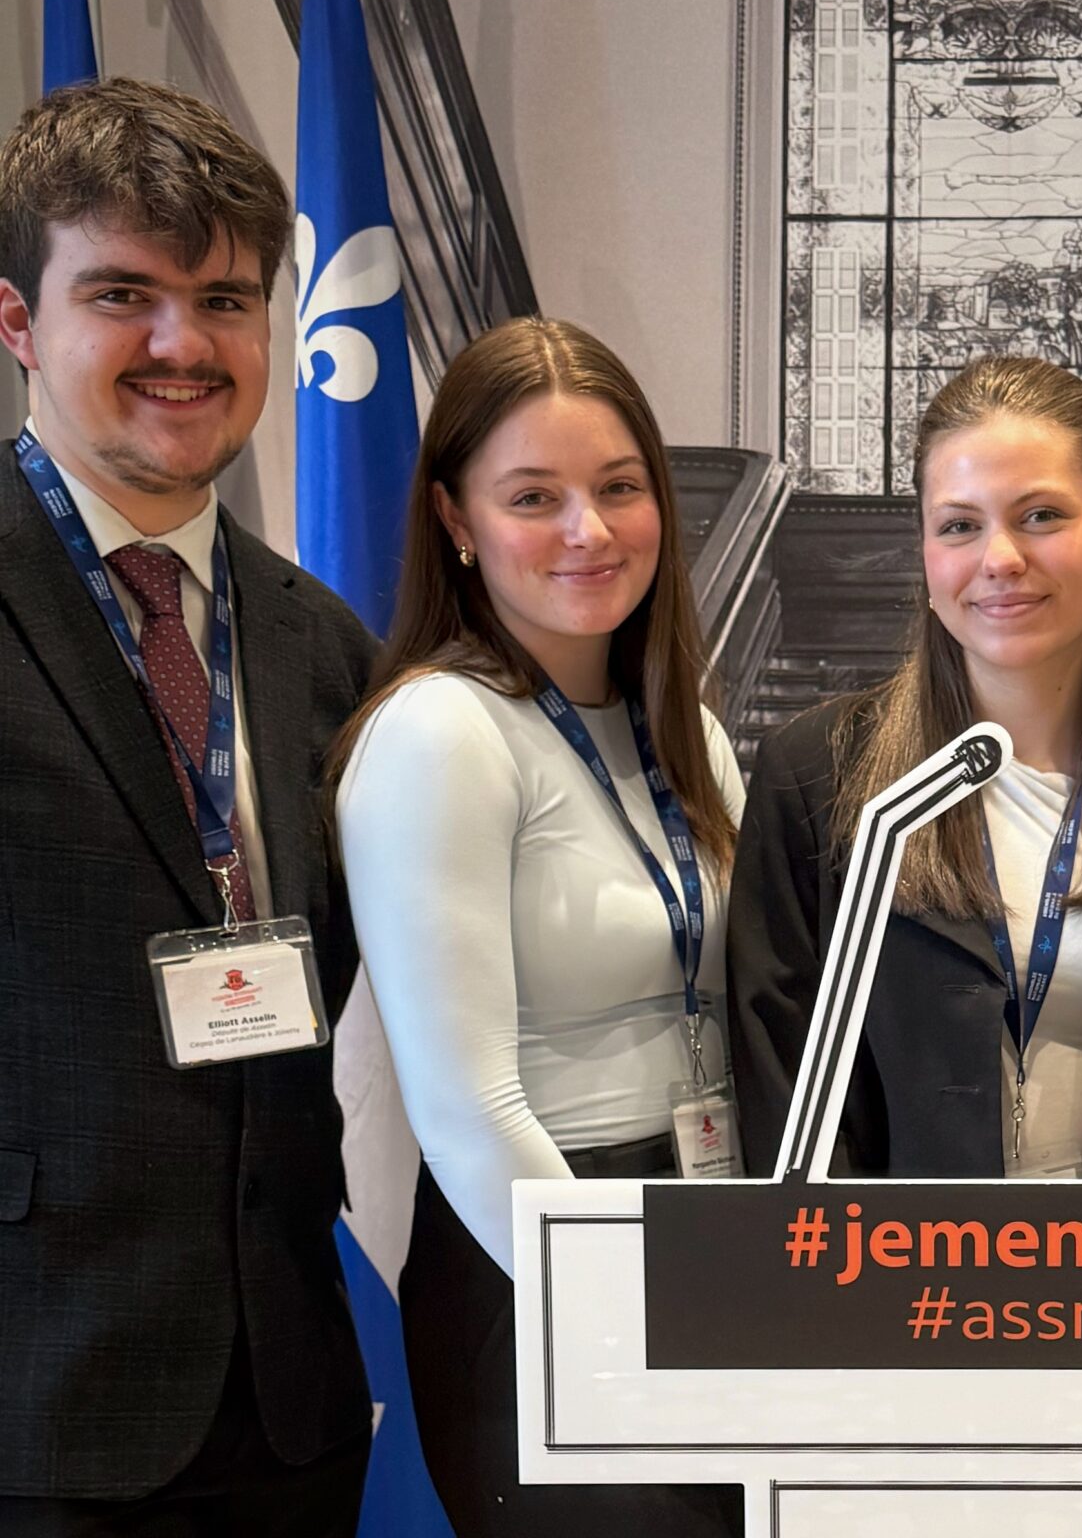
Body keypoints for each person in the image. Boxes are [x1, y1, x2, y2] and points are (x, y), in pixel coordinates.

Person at [0, 78, 373, 1533]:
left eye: (224, 300)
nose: (182, 344)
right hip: (32, 1406)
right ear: (19, 322)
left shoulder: (325, 645)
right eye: (122, 295)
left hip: (287, 1406)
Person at [331, 316, 744, 1538]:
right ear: (455, 520)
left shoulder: (686, 731)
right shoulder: (438, 733)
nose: (588, 530)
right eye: (532, 497)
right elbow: (467, 1110)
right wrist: (622, 1319)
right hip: (538, 1258)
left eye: (619, 487)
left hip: (701, 1222)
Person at [727, 353, 1082, 1181]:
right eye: (959, 525)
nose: (1000, 557)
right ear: (926, 555)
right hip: (890, 1260)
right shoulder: (814, 780)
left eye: (1040, 516)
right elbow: (787, 1093)